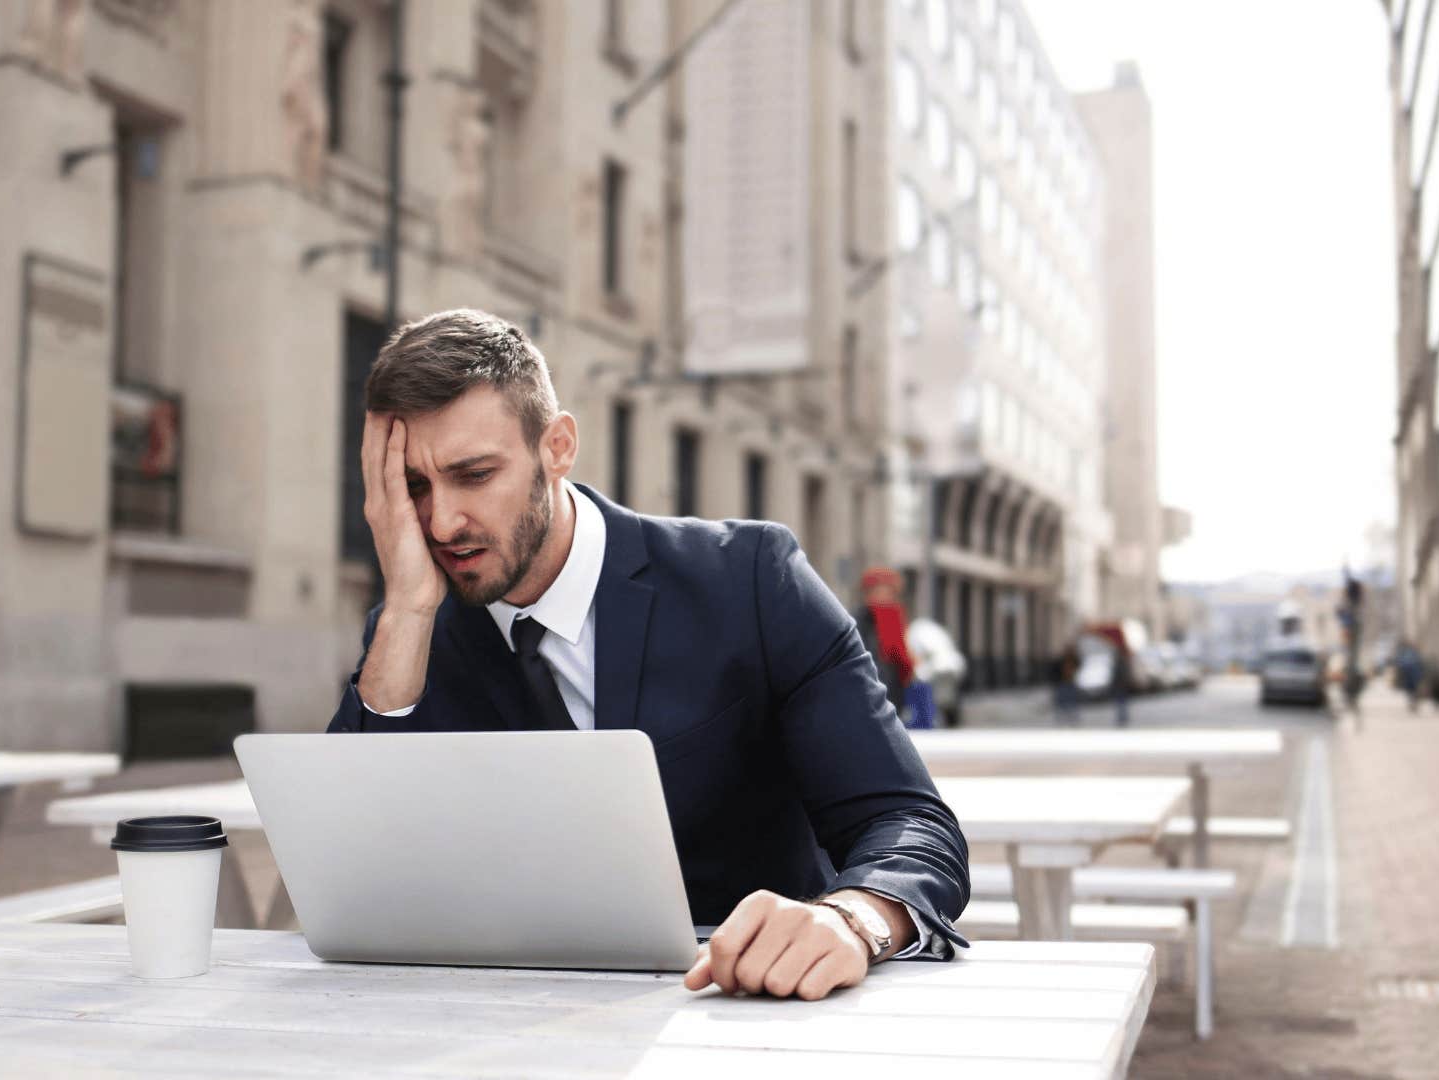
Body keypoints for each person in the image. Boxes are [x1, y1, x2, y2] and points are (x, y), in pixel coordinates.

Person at [328, 310, 970, 1001]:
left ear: (558, 447)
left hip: (746, 1013)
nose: (442, 523)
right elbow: (348, 873)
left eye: (474, 475)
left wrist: (852, 920)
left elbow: (909, 824)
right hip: (499, 1024)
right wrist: (405, 611)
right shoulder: (412, 632)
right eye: (414, 488)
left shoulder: (751, 580)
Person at [855, 568, 922, 726]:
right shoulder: (888, 616)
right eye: (883, 591)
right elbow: (900, 656)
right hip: (881, 689)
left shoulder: (860, 617)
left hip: (879, 690)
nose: (888, 596)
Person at [1053, 639, 1082, 726]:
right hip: (1062, 681)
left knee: (1072, 698)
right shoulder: (1061, 659)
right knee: (1062, 698)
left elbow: (1078, 664)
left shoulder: (1073, 658)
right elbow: (1055, 670)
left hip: (1070, 681)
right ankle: (1062, 714)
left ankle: (1072, 714)